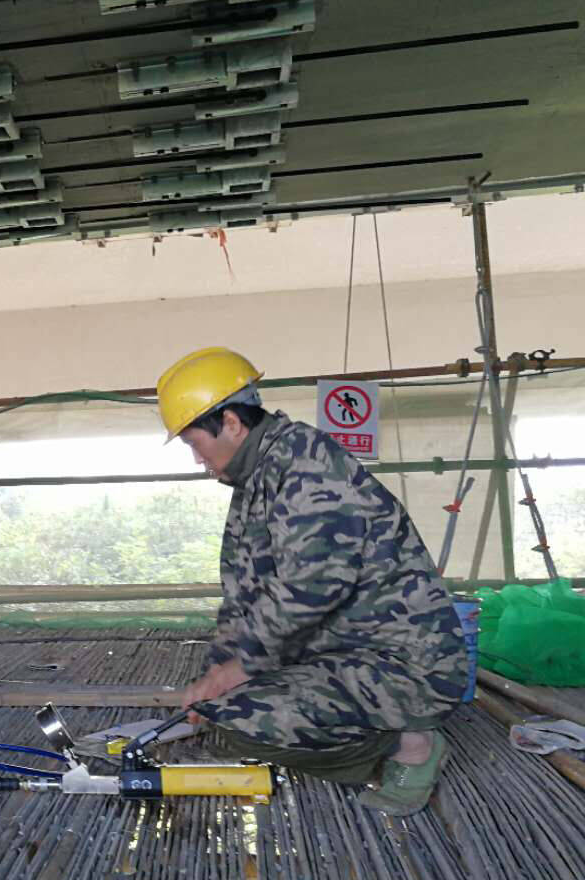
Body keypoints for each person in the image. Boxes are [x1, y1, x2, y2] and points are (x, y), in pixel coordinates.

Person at [158, 347, 469, 815]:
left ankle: (411, 742)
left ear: (232, 424)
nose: (197, 458)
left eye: (194, 443)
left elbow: (310, 588)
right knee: (222, 716)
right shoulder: (256, 480)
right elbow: (242, 597)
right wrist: (217, 671)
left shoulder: (307, 466)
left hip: (402, 665)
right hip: (338, 650)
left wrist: (238, 671)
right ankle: (368, 726)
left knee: (247, 723)